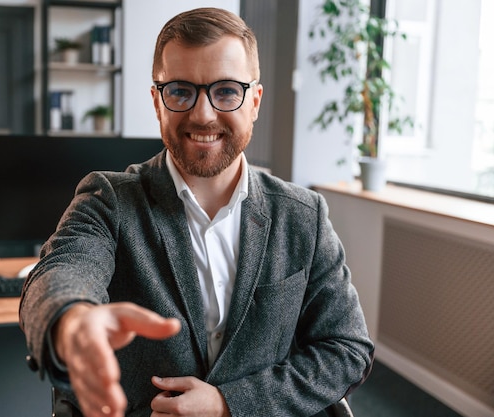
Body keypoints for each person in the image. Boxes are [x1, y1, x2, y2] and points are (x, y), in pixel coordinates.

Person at [20, 7, 374, 417]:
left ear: (254, 101)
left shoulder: (304, 215)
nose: (203, 114)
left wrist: (228, 404)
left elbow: (346, 349)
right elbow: (63, 270)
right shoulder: (109, 199)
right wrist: (72, 321)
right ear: (157, 102)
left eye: (226, 91)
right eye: (180, 91)